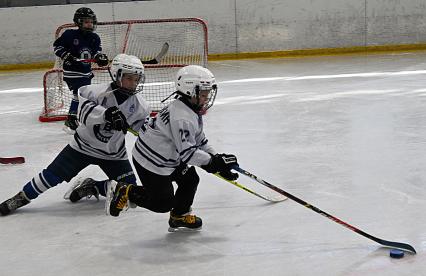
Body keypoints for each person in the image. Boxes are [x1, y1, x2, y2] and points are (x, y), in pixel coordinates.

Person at [0, 54, 150, 216]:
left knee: (130, 191)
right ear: (116, 75)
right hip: (81, 148)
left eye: (136, 79)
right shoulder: (93, 92)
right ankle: (21, 197)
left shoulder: (140, 105)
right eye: (129, 78)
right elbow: (83, 114)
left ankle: (93, 186)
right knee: (51, 176)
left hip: (114, 154)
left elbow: (144, 129)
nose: (133, 83)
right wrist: (107, 114)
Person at [106, 65, 239, 232]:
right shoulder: (182, 117)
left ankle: (179, 216)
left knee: (190, 180)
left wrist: (217, 159)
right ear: (191, 91)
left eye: (208, 93)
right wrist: (213, 162)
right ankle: (127, 191)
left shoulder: (188, 108)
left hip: (168, 157)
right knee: (163, 204)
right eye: (204, 93)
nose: (207, 98)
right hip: (151, 162)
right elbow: (189, 154)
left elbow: (199, 141)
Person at [53, 7, 109, 132]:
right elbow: (57, 47)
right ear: (79, 22)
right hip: (72, 72)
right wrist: (66, 55)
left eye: (91, 21)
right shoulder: (69, 35)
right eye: (86, 21)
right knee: (80, 94)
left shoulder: (95, 38)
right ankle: (71, 119)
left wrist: (100, 58)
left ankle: (76, 117)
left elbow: (96, 53)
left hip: (86, 73)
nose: (90, 24)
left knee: (82, 95)